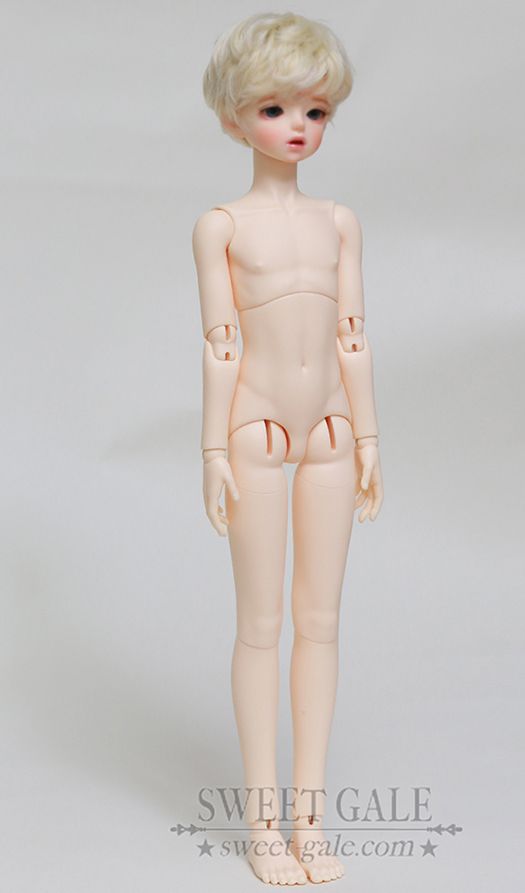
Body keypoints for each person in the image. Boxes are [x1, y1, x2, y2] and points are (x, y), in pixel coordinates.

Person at [192, 11, 383, 885]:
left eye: (314, 110)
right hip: (256, 430)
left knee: (321, 621)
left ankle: (310, 821)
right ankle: (262, 824)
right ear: (233, 117)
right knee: (261, 625)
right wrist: (211, 450)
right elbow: (220, 343)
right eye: (273, 109)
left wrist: (370, 433)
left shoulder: (339, 221)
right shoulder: (221, 226)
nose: (297, 127)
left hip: (333, 430)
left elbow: (353, 334)